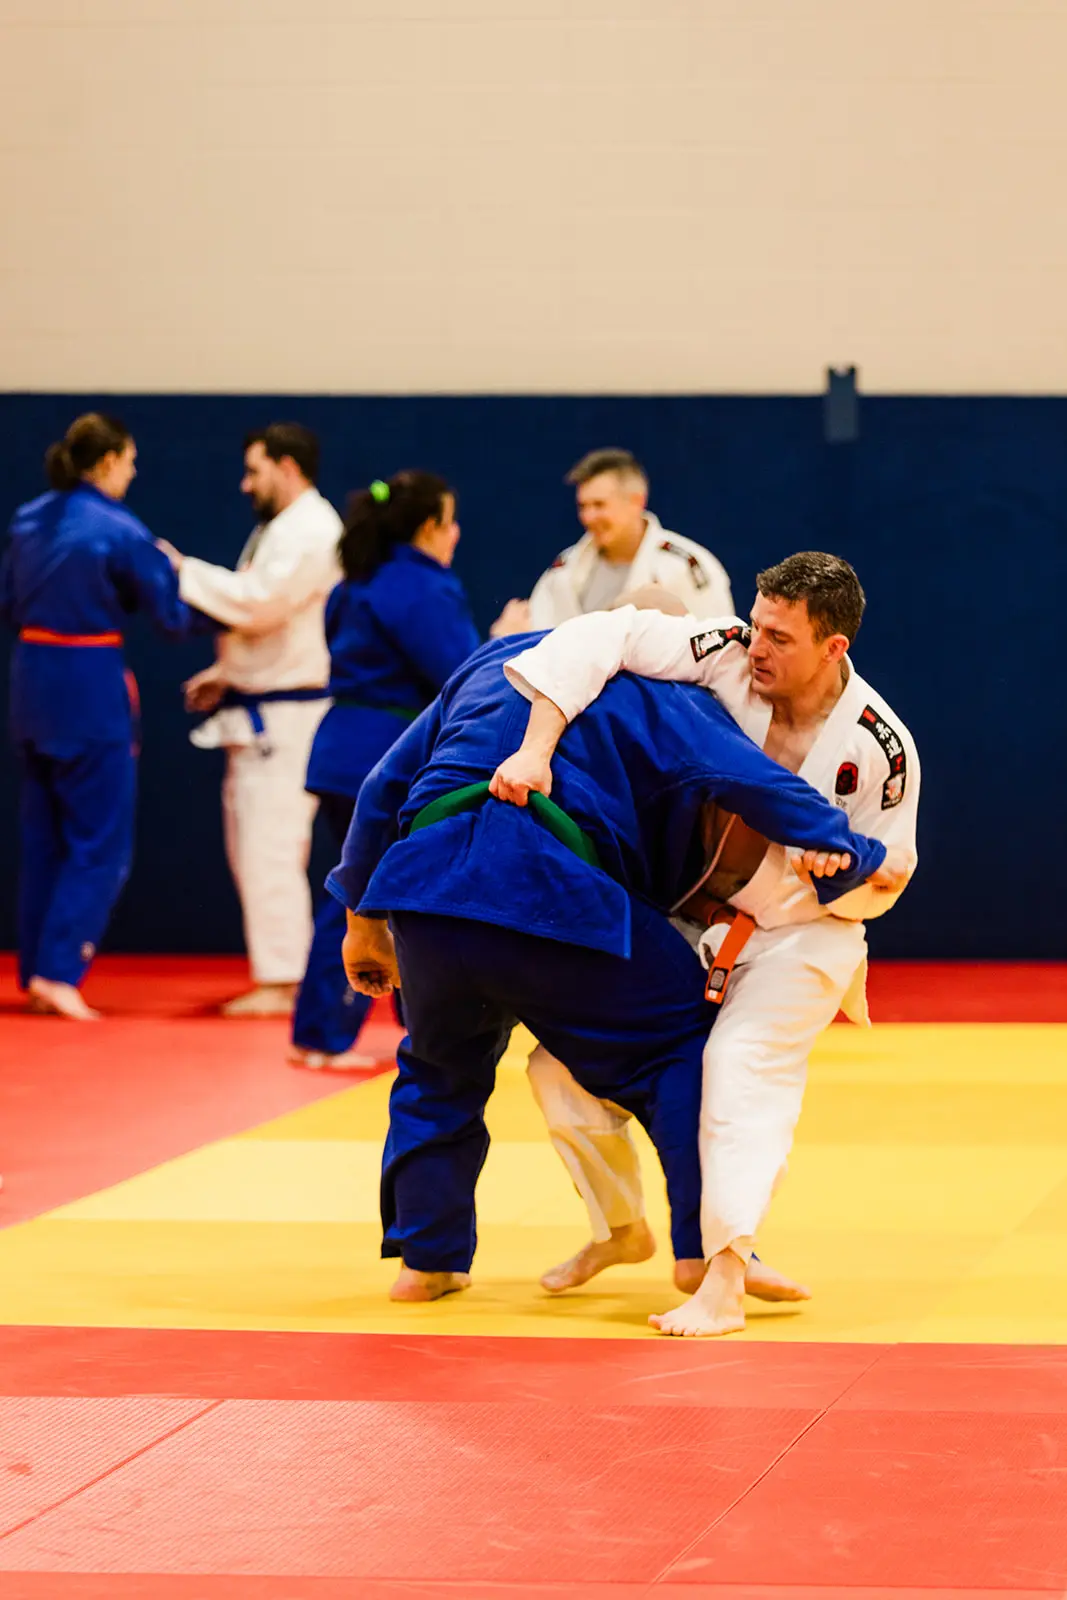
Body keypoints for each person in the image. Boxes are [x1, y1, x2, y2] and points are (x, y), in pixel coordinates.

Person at [330, 633, 890, 1306]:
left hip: (422, 886)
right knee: (681, 1044)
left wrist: (362, 922)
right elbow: (751, 781)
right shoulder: (669, 691)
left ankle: (426, 1262)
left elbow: (382, 786)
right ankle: (697, 1251)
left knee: (437, 1067)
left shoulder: (493, 660)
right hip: (543, 882)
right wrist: (849, 847)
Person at [494, 552, 920, 1336]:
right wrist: (536, 745)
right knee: (557, 1063)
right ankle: (619, 1227)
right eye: (757, 625)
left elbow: (886, 882)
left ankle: (724, 1273)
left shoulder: (880, 750)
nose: (756, 647)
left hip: (804, 938)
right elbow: (602, 635)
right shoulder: (725, 651)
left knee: (737, 1068)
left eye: (780, 638)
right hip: (694, 921)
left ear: (834, 648)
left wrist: (832, 872)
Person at [0, 413, 211, 1022]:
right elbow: (170, 618)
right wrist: (232, 613)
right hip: (88, 687)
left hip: (30, 682)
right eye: (131, 460)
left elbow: (10, 603)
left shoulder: (26, 518)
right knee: (99, 841)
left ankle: (38, 970)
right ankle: (60, 972)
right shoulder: (120, 529)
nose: (134, 472)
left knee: (43, 836)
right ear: (113, 459)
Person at [289, 470, 480, 1071]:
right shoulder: (421, 586)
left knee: (375, 891)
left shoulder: (359, 578)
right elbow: (459, 671)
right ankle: (322, 1033)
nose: (455, 534)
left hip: (343, 744)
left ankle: (408, 1024)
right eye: (449, 521)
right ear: (428, 526)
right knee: (361, 893)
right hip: (386, 752)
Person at [160, 424, 342, 1017]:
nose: (245, 484)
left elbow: (261, 606)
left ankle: (284, 980)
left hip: (291, 716)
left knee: (269, 845)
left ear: (287, 467)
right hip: (271, 705)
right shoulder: (284, 528)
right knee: (257, 844)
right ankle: (281, 972)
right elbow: (271, 623)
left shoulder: (313, 529)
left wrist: (184, 570)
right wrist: (227, 672)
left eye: (254, 470)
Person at [491, 448, 733, 637]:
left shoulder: (685, 567)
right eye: (582, 506)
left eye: (599, 505)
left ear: (636, 501)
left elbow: (717, 651)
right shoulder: (565, 569)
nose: (588, 517)